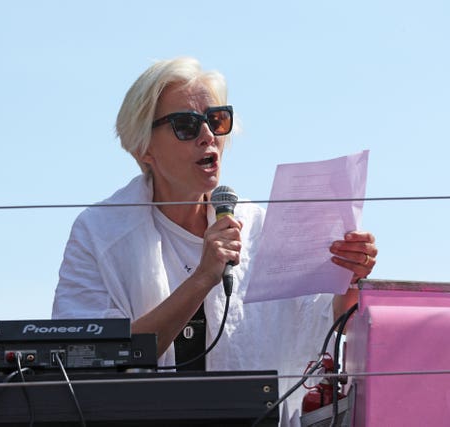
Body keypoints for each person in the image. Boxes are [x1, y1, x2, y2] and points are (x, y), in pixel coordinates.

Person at [52, 57, 378, 426]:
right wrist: (203, 278)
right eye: (186, 125)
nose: (208, 135)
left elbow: (326, 331)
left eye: (217, 120)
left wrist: (349, 281)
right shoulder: (97, 233)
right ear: (144, 148)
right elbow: (89, 358)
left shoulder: (260, 225)